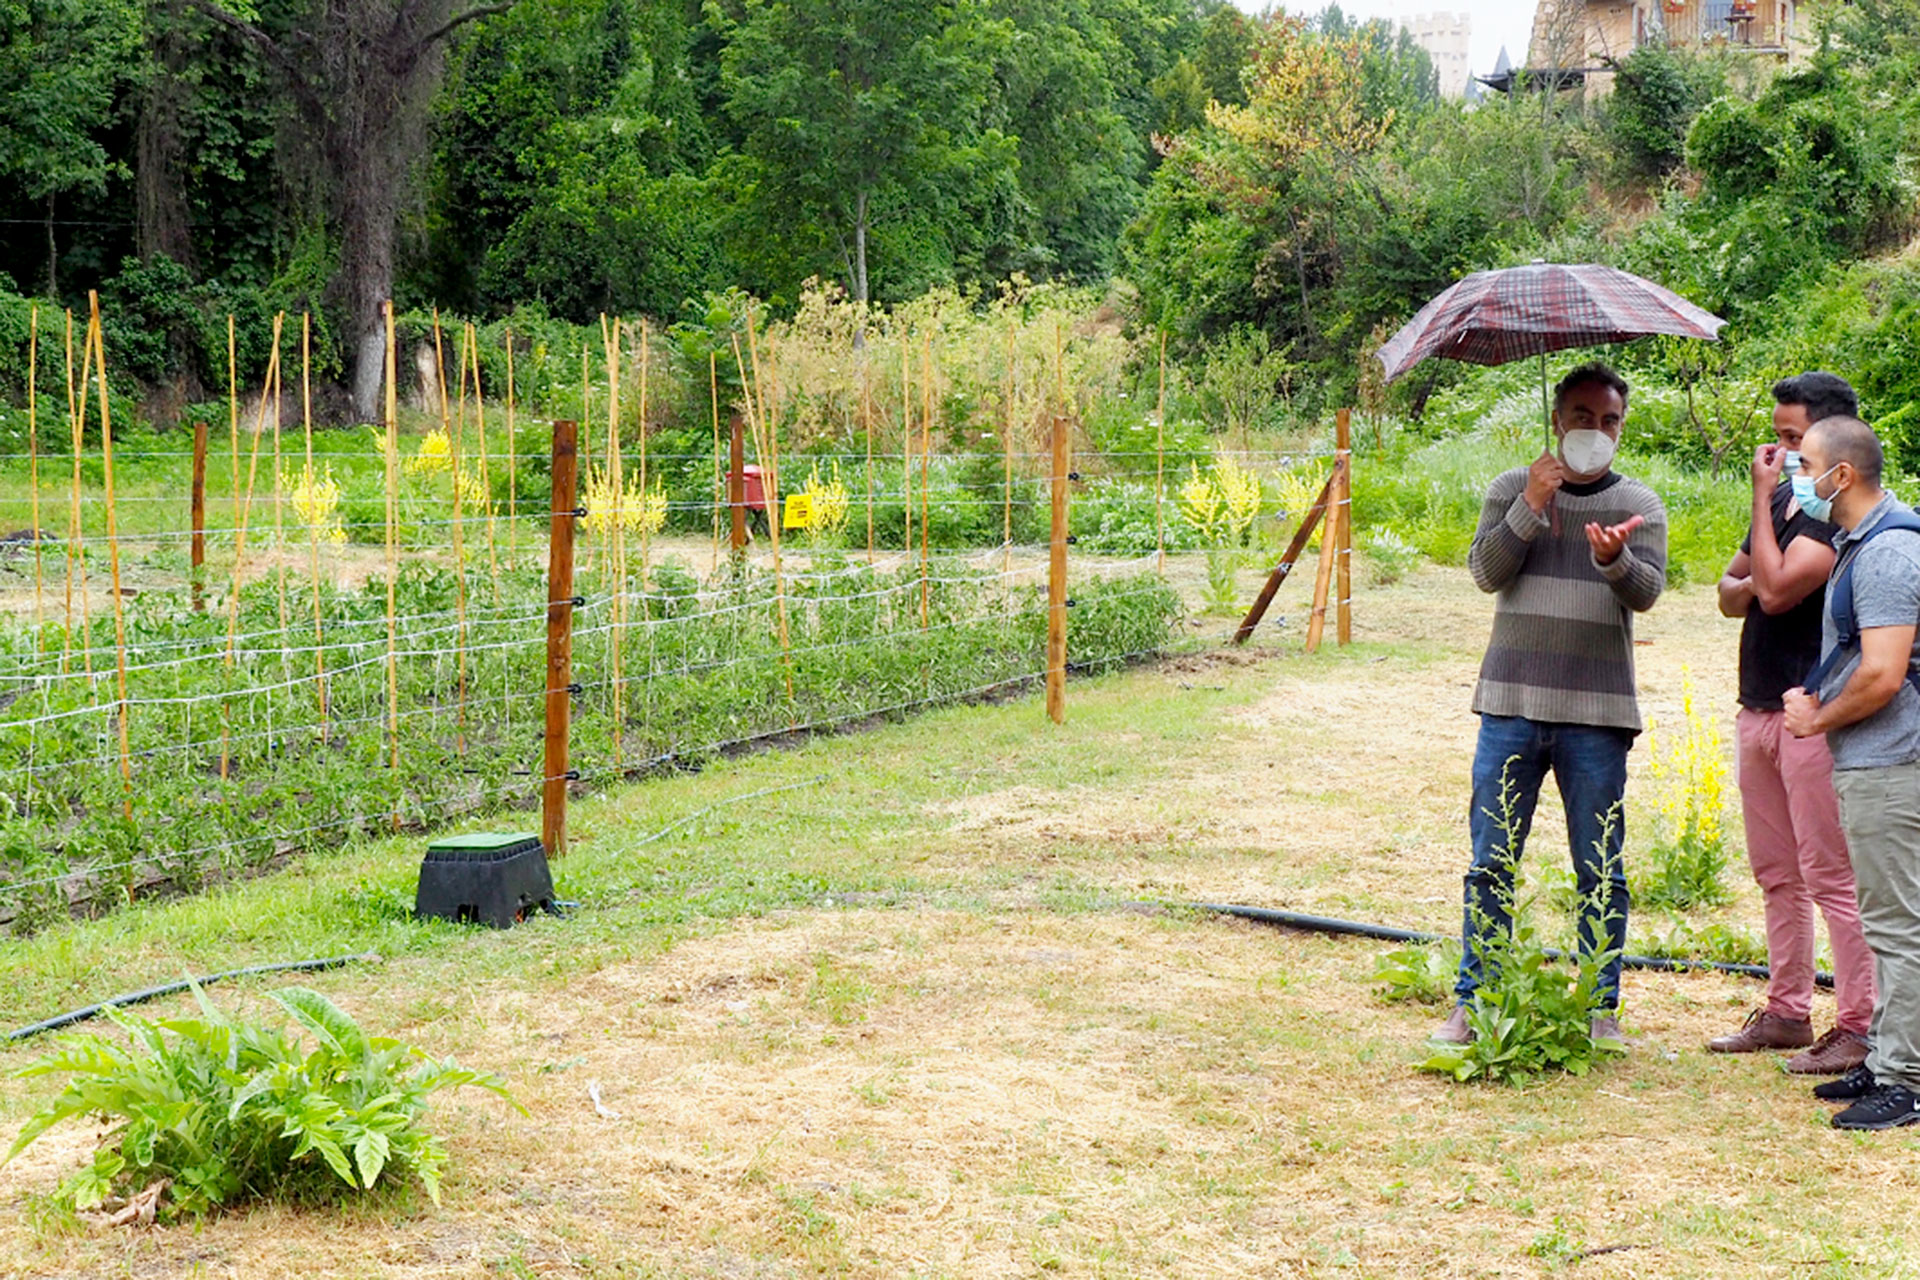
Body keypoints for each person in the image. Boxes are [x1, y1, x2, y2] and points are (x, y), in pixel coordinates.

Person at [1435, 363, 1667, 1046]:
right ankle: (1475, 1001)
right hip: (1510, 705)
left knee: (1600, 865)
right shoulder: (1512, 487)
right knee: (1490, 860)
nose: (1595, 430)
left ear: (1620, 426)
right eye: (1582, 416)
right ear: (1556, 420)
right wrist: (1532, 506)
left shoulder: (1641, 504)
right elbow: (1485, 572)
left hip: (1598, 714)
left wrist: (1613, 560)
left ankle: (1600, 1006)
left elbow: (1648, 592)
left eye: (1609, 420)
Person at [1709, 374, 1876, 1072]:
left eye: (1789, 441)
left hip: (1811, 712)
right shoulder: (1783, 501)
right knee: (1777, 872)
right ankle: (1786, 1009)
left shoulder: (1834, 518)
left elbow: (1771, 591)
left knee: (1830, 874)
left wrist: (1760, 554)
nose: (1775, 455)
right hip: (1759, 706)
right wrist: (1758, 573)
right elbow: (1726, 591)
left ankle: (1860, 1021)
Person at [1783, 414, 1920, 1129]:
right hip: (1877, 759)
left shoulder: (1889, 553)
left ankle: (1909, 1077)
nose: (1793, 476)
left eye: (1803, 464)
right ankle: (1890, 1058)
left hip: (1893, 759)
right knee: (1886, 916)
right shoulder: (1856, 544)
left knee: (1901, 924)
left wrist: (1818, 719)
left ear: (1843, 474)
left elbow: (1884, 675)